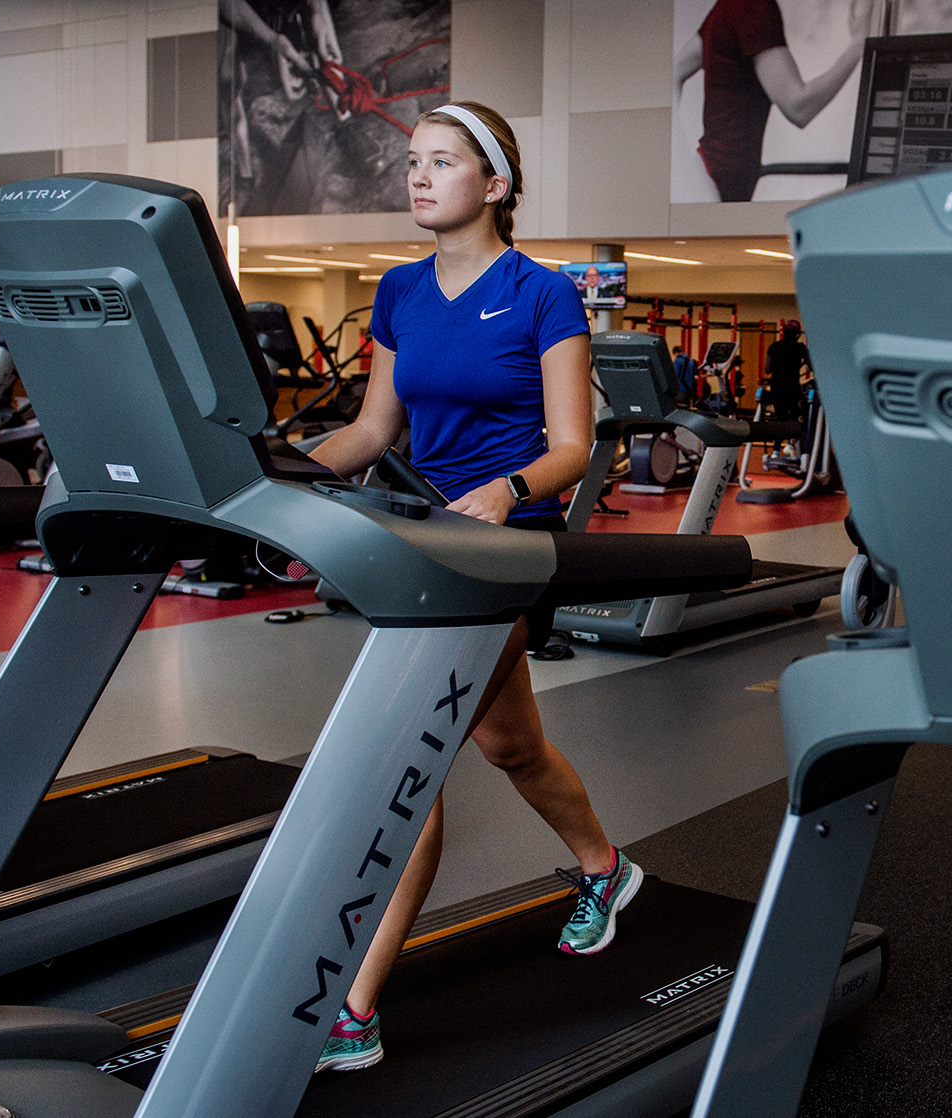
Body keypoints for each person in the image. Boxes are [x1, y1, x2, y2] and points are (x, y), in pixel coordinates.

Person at [306, 100, 643, 1073]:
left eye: (442, 162)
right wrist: (279, 475)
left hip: (507, 547)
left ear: (494, 184)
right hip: (426, 543)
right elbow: (372, 434)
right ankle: (605, 869)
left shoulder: (543, 294)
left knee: (409, 752)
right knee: (510, 741)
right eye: (413, 162)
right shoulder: (401, 290)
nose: (417, 176)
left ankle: (355, 1008)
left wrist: (505, 488)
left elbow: (575, 448)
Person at [675, 0, 873, 202]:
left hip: (708, 176)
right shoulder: (753, 7)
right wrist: (859, 46)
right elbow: (798, 107)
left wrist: (679, 162)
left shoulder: (726, 6)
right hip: (714, 188)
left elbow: (675, 71)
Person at [764, 319, 812, 422]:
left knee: (781, 417)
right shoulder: (800, 348)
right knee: (795, 417)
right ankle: (793, 437)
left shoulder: (774, 346)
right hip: (792, 387)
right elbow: (812, 366)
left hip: (776, 387)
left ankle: (779, 437)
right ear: (797, 334)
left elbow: (767, 369)